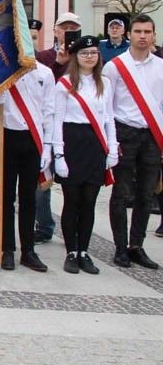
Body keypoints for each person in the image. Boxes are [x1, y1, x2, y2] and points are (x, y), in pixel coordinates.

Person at [52, 35, 117, 274]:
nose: (89, 57)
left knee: (89, 202)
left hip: (95, 145)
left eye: (93, 53)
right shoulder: (65, 83)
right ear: (75, 57)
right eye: (84, 53)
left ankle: (84, 251)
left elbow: (109, 117)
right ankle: (71, 251)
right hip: (72, 143)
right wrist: (58, 154)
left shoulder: (105, 83)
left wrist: (112, 147)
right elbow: (57, 120)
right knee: (72, 201)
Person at [103, 14, 161, 269]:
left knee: (147, 194)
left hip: (151, 135)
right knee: (121, 193)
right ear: (129, 35)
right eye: (138, 31)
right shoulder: (115, 67)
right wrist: (111, 139)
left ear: (154, 35)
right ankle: (120, 247)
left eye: (147, 32)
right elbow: (106, 105)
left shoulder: (160, 66)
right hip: (124, 131)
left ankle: (136, 245)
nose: (142, 36)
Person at [0, 37, 55, 272]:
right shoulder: (4, 71)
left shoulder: (45, 73)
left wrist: (48, 147)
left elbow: (49, 111)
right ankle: (7, 248)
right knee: (6, 197)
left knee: (28, 198)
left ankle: (28, 250)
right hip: (8, 135)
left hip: (34, 139)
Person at [34, 12, 82, 244]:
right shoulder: (43, 56)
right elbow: (39, 87)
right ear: (55, 30)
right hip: (47, 126)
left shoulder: (87, 56)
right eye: (64, 27)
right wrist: (57, 64)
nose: (67, 31)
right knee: (42, 180)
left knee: (76, 183)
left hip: (75, 128)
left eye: (73, 28)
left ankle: (75, 229)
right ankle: (44, 225)